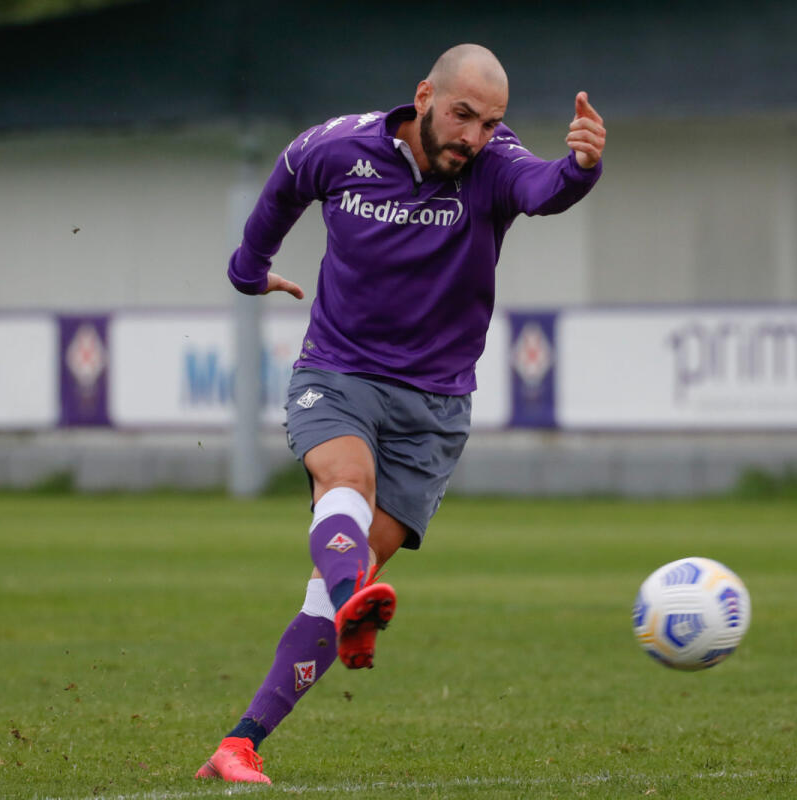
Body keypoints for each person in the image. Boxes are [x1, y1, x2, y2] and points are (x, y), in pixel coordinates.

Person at [194, 44, 605, 784]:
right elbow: (284, 185)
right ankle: (356, 600)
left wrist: (579, 167)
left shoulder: (493, 167)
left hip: (436, 406)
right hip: (340, 372)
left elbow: (543, 189)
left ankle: (240, 743)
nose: (474, 136)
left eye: (490, 122)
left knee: (335, 582)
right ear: (423, 96)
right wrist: (247, 268)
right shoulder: (339, 148)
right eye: (462, 115)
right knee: (343, 481)